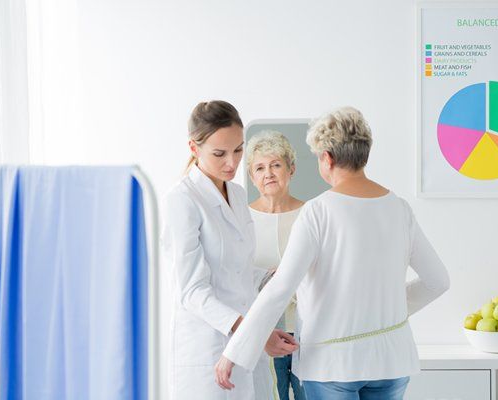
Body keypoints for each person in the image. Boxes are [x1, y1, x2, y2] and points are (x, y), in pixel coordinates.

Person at [215, 107, 450, 399]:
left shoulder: (318, 211)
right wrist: (384, 312)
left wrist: (234, 351)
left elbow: (280, 288)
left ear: (327, 158)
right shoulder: (399, 208)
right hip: (393, 362)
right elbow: (438, 281)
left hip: (332, 366)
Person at [162, 100, 298, 400]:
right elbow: (192, 290)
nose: (232, 163)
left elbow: (237, 269)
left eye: (238, 150)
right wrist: (254, 333)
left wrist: (274, 276)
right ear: (194, 148)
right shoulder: (182, 200)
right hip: (208, 349)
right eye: (219, 153)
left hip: (246, 349)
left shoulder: (236, 193)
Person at [246, 131, 306, 400]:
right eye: (260, 167)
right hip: (264, 330)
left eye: (276, 165)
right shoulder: (242, 218)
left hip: (308, 328)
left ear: (291, 169)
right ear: (252, 176)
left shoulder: (311, 213)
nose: (268, 173)